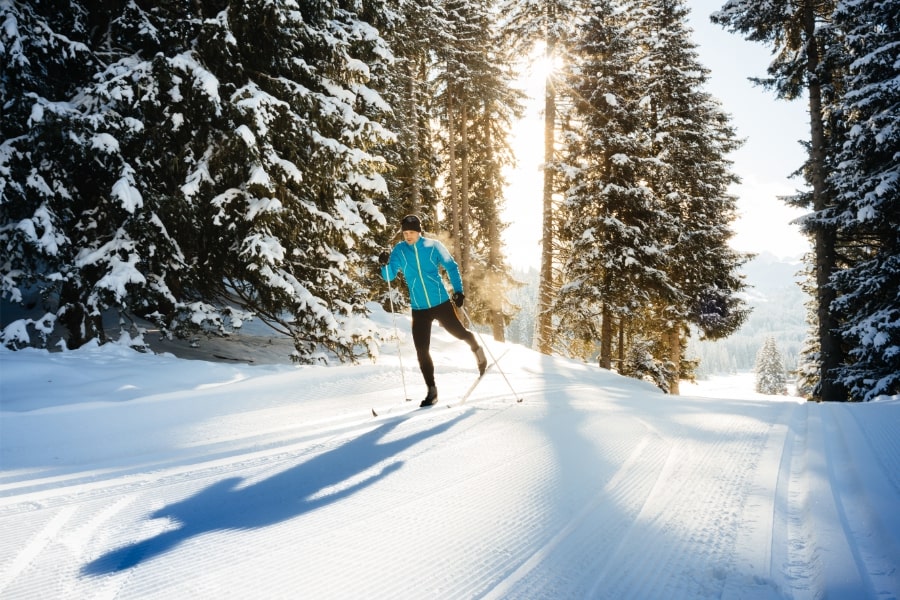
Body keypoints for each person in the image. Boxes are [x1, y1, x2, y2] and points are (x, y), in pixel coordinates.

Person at [379, 214, 487, 406]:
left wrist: (459, 292)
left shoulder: (434, 246)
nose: (408, 236)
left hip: (440, 302)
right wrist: (384, 264)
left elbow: (451, 266)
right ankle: (432, 390)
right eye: (405, 233)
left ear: (419, 232)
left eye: (411, 232)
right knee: (422, 350)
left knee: (459, 333)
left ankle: (475, 346)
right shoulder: (399, 251)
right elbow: (389, 276)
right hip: (419, 308)